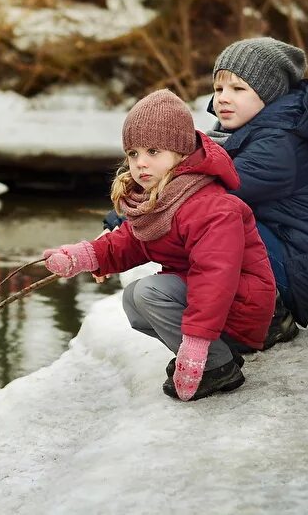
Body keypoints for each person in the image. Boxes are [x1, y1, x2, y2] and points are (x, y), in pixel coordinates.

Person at [104, 37, 308, 349]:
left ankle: (272, 314)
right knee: (206, 223)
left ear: (270, 94)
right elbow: (178, 174)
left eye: (238, 89)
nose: (223, 99)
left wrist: (137, 220)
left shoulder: (279, 144)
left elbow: (199, 192)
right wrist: (127, 214)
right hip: (281, 252)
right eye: (219, 89)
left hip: (301, 264)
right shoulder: (235, 134)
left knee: (211, 218)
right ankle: (215, 317)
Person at [43, 89, 275, 401]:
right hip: (212, 308)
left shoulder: (210, 206)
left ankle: (217, 366)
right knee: (133, 301)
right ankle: (215, 351)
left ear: (180, 153)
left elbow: (215, 278)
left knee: (148, 293)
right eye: (134, 154)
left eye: (153, 152)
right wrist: (82, 257)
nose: (141, 164)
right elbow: (130, 241)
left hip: (239, 306)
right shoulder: (163, 198)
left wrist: (194, 343)